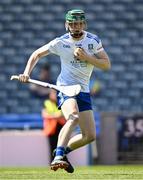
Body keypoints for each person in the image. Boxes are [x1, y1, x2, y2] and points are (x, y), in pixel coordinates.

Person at [18, 9, 111, 173]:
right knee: (73, 117)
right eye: (73, 24)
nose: (76, 27)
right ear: (66, 25)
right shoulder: (60, 42)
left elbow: (106, 65)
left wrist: (87, 57)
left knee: (89, 136)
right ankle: (58, 156)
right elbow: (36, 54)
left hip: (83, 91)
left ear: (84, 24)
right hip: (66, 87)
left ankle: (62, 151)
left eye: (79, 23)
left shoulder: (93, 41)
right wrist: (26, 73)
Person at [42, 89, 66, 163]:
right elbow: (44, 114)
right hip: (51, 129)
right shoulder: (47, 103)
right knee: (52, 147)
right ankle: (53, 163)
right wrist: (56, 115)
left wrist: (52, 115)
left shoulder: (61, 102)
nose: (54, 95)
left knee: (62, 146)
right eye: (53, 93)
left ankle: (64, 163)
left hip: (61, 127)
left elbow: (62, 114)